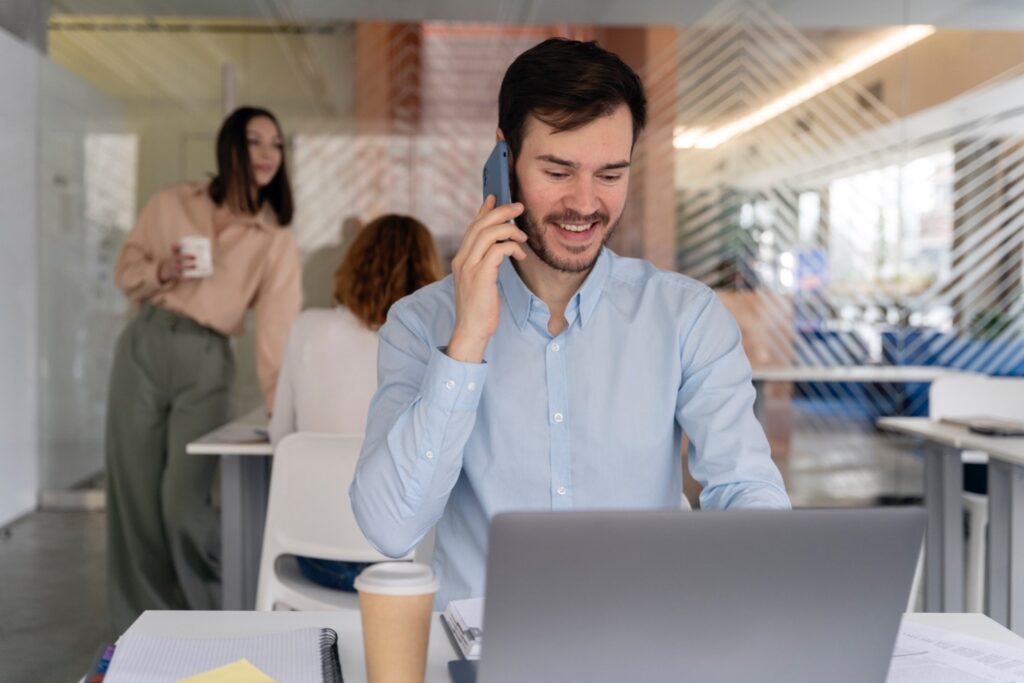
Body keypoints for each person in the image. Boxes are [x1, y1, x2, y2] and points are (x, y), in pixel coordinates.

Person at [350, 38, 790, 608]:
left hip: (645, 642)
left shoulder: (686, 316)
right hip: (481, 656)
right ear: (503, 164)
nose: (585, 204)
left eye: (610, 174)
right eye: (558, 171)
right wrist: (465, 346)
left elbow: (746, 487)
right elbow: (389, 528)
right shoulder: (421, 323)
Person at [105, 106, 302, 631]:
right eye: (255, 141)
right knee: (135, 501)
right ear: (230, 148)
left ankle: (208, 619)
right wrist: (160, 270)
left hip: (206, 360)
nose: (267, 154)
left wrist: (280, 412)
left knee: (182, 507)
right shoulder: (173, 202)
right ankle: (142, 625)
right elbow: (126, 270)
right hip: (145, 344)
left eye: (276, 145)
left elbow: (276, 334)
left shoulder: (273, 239)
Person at [269, 213, 443, 590]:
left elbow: (281, 438)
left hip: (316, 557)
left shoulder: (307, 328)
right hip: (411, 565)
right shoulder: (444, 346)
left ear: (354, 263)